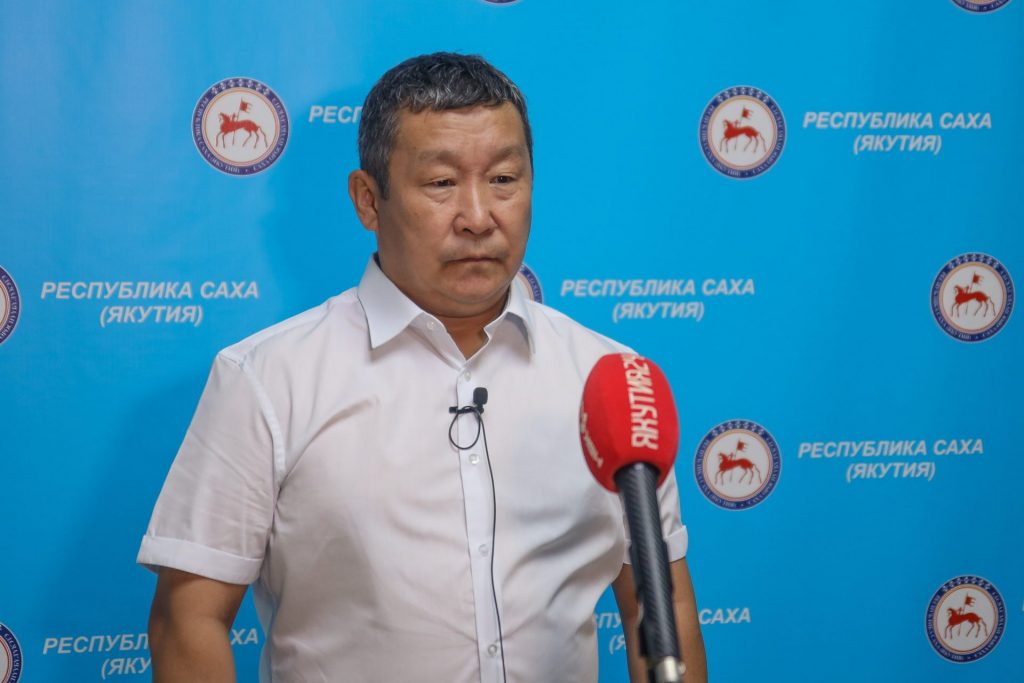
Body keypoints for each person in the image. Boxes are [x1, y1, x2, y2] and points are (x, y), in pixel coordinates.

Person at [139, 52, 707, 683]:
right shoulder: (267, 378)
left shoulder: (611, 379)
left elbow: (661, 607)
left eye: (504, 179)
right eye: (441, 183)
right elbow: (187, 620)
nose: (478, 217)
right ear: (368, 201)